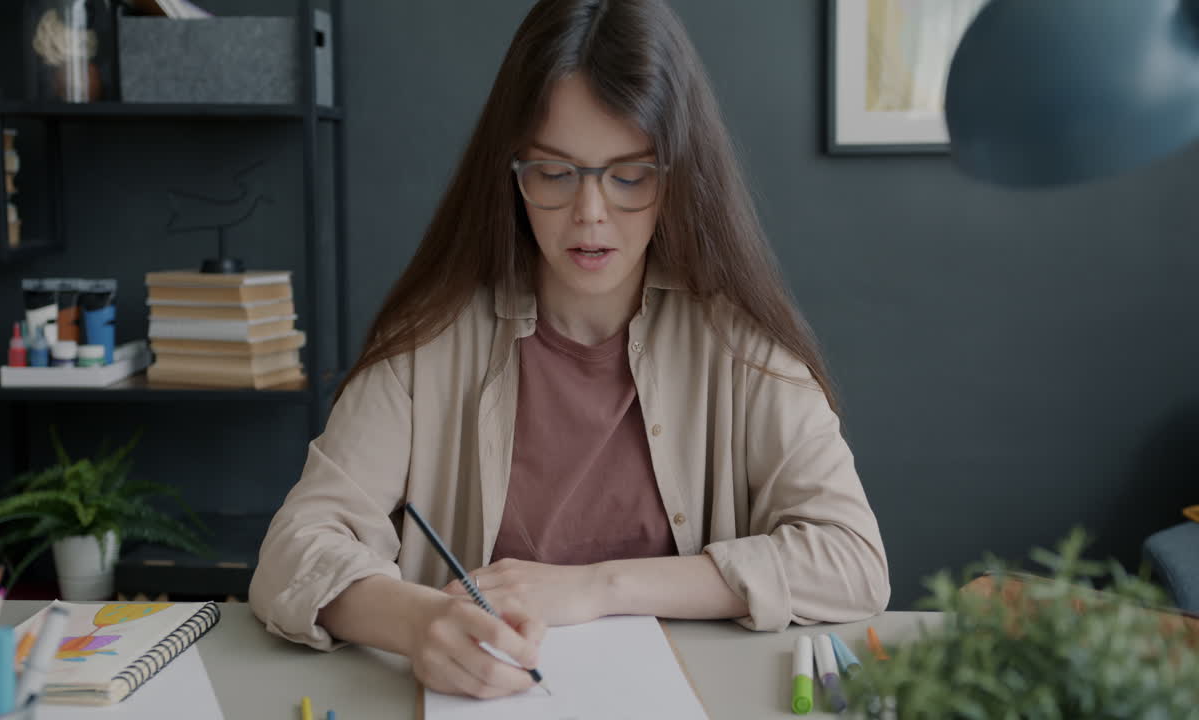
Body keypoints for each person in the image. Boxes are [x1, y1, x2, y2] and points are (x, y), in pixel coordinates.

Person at [250, 0, 889, 700]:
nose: (590, 214)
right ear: (512, 173)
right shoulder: (430, 342)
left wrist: (598, 588)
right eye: (555, 174)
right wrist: (420, 621)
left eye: (629, 174)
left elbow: (853, 560)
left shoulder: (738, 346)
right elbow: (294, 552)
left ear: (677, 174)